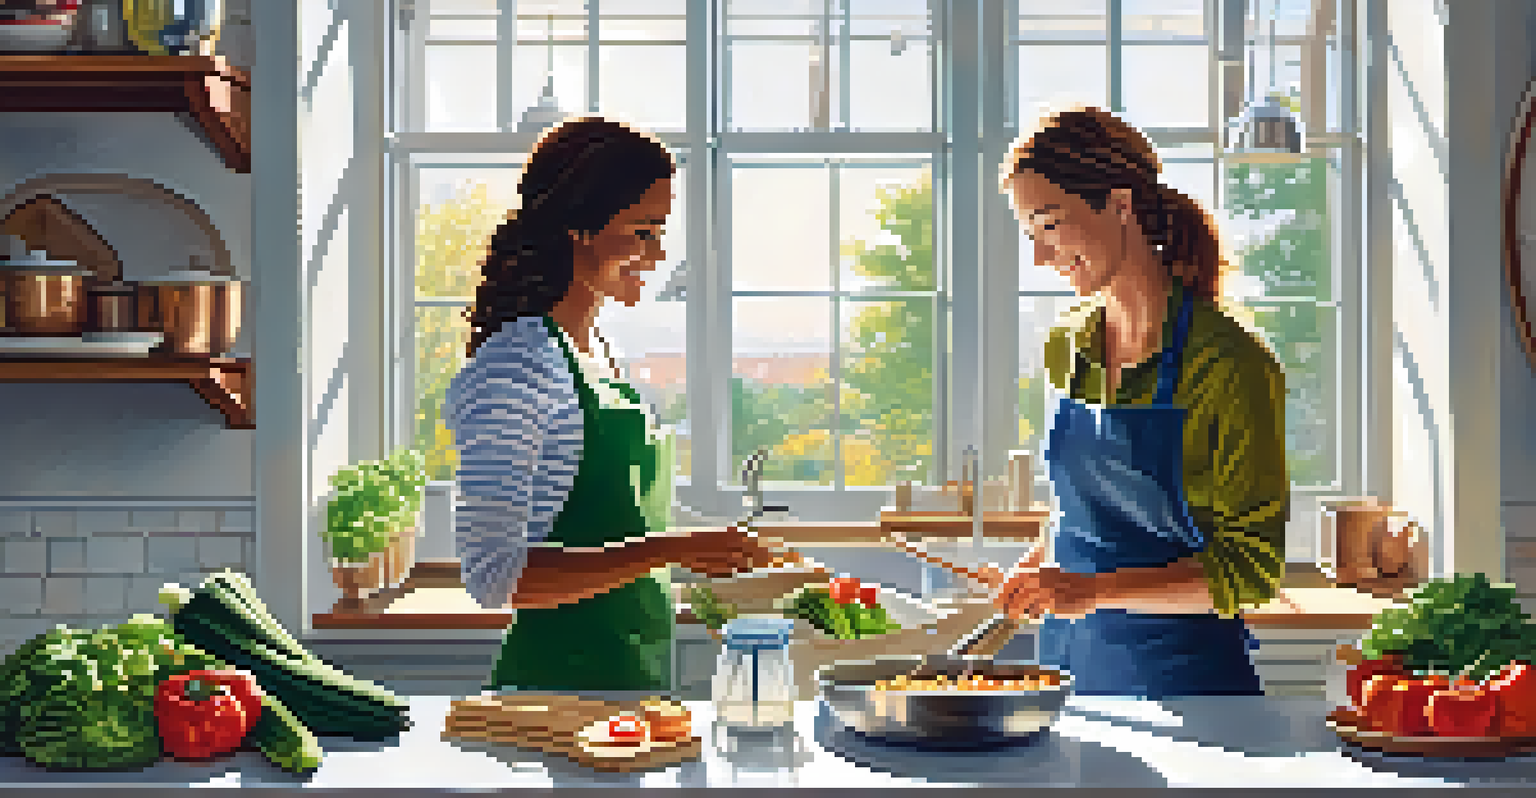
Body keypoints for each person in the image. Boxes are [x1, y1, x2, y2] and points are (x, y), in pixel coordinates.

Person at [443, 116, 780, 694]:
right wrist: (672, 549)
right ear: (580, 228)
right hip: (554, 699)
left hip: (636, 683)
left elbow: (624, 523)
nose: (657, 253)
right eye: (643, 231)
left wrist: (712, 546)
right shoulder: (516, 366)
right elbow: (496, 576)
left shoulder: (603, 354)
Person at [984, 106, 1290, 697]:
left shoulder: (1229, 365)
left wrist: (1092, 590)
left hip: (1188, 681)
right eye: (1031, 235)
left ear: (1120, 205)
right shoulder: (1066, 345)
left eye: (1052, 224)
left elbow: (1251, 572)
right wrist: (1041, 563)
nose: (1044, 257)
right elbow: (1084, 507)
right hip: (1069, 667)